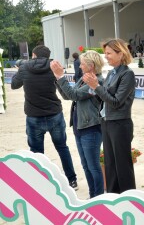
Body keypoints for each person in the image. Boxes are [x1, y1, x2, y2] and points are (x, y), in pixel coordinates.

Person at [11, 45, 78, 189]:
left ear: (33, 55)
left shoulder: (24, 67)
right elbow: (63, 89)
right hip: (54, 113)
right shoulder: (53, 67)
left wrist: (19, 72)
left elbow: (14, 85)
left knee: (36, 152)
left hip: (34, 116)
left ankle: (37, 183)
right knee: (62, 147)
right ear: (48, 56)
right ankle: (72, 180)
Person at [83, 39, 136, 194]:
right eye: (105, 53)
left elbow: (116, 102)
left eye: (109, 53)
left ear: (121, 53)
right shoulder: (111, 73)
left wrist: (96, 87)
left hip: (120, 124)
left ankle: (129, 199)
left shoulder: (127, 74)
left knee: (122, 166)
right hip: (107, 122)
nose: (106, 56)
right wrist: (94, 89)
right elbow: (104, 99)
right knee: (110, 164)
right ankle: (113, 198)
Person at [50, 50, 105, 198]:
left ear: (91, 65)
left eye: (82, 63)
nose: (79, 66)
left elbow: (74, 95)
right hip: (80, 127)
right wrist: (58, 78)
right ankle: (93, 195)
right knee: (86, 165)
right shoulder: (83, 79)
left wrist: (61, 76)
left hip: (91, 128)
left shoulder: (96, 81)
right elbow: (68, 95)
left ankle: (98, 197)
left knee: (93, 166)